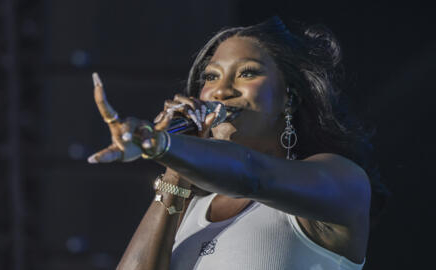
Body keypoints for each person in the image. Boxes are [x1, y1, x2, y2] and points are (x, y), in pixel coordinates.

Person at [87, 16, 388, 270]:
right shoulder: (191, 210)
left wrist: (161, 143)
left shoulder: (341, 182)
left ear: (289, 97)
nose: (220, 91)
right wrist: (174, 170)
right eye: (211, 77)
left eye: (247, 73)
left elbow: (252, 176)